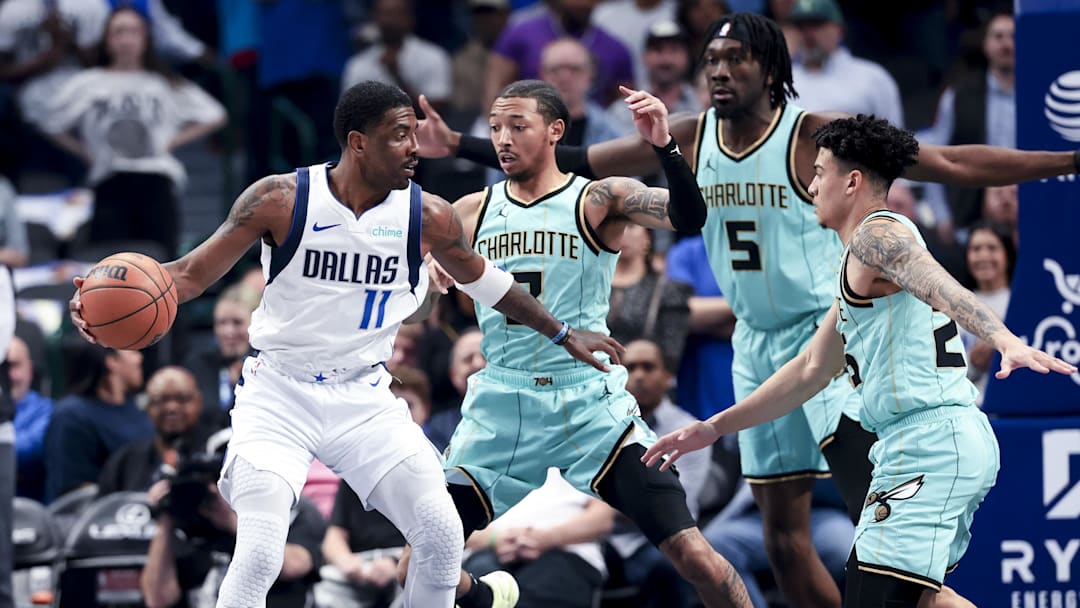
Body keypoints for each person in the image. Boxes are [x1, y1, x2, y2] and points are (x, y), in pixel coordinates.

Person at [415, 12, 1080, 607]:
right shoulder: (687, 134)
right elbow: (571, 158)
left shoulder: (813, 138)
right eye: (712, 62)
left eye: (736, 59)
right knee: (783, 539)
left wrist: (1065, 159)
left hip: (832, 329)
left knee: (875, 539)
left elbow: (950, 163)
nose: (721, 72)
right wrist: (466, 147)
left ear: (772, 69)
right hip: (755, 344)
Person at [69, 79, 619, 608]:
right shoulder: (280, 199)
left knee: (442, 534)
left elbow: (486, 280)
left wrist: (562, 332)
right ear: (358, 143)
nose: (414, 147)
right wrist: (101, 296)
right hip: (278, 394)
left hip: (365, 398)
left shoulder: (426, 214)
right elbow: (186, 276)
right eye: (400, 134)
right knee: (260, 548)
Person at [643, 114, 1077, 607]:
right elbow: (809, 370)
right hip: (924, 444)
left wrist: (1003, 338)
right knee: (920, 599)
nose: (808, 185)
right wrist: (714, 428)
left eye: (819, 172)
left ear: (851, 182)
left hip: (929, 445)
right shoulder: (854, 264)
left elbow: (935, 279)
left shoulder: (878, 234)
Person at [401, 79, 751, 608]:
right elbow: (419, 312)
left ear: (554, 131)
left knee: (695, 556)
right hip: (503, 404)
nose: (503, 138)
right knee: (418, 561)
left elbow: (689, 216)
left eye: (518, 126)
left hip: (589, 402)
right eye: (496, 127)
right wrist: (428, 286)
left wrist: (664, 145)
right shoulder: (469, 209)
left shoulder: (598, 197)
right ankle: (483, 600)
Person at [39, 6, 226, 259]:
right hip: (110, 181)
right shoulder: (89, 83)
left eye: (133, 31)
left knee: (162, 266)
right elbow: (49, 121)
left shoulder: (163, 82)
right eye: (119, 31)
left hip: (157, 180)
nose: (126, 39)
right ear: (107, 39)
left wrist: (172, 141)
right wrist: (84, 151)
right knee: (111, 267)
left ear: (145, 38)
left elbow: (215, 115)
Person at [141, 430, 327, 608]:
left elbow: (295, 566)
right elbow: (158, 599)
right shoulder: (192, 517)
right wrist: (165, 518)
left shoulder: (292, 508)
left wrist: (233, 521)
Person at [610, 339, 710, 608]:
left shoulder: (689, 430)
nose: (639, 375)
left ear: (667, 376)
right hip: (602, 539)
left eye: (648, 367)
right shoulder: (605, 422)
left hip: (658, 538)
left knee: (673, 568)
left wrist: (602, 513)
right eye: (630, 367)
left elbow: (680, 501)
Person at [44, 339, 151, 502]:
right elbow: (73, 487)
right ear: (112, 361)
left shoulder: (137, 408)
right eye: (131, 352)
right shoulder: (71, 415)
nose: (139, 358)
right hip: (98, 518)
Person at [97, 366, 206, 495]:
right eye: (161, 400)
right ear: (148, 406)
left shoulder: (217, 452)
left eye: (182, 399)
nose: (171, 408)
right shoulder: (124, 462)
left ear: (199, 402)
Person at [340, 0, 452, 111]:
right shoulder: (358, 64)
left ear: (410, 18)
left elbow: (436, 111)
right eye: (384, 14)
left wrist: (397, 76)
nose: (389, 21)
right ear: (374, 18)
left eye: (396, 14)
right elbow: (349, 114)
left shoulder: (433, 57)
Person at [182, 282, 262, 432]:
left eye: (237, 323)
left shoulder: (267, 367)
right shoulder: (198, 365)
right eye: (221, 323)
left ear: (255, 324)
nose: (228, 332)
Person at [959, 220, 1016, 403]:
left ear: (1007, 255)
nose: (983, 256)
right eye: (976, 249)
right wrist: (974, 364)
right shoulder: (954, 305)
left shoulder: (1020, 302)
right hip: (972, 410)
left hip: (1014, 405)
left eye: (992, 248)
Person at [8, 335, 52, 502]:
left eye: (15, 365)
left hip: (31, 517)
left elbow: (25, 451)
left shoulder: (47, 412)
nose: (11, 376)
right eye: (3, 367)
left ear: (30, 369)